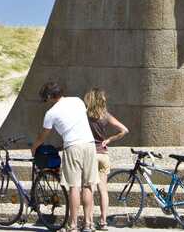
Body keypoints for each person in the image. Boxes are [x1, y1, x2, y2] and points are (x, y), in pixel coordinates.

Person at [31, 82, 97, 232]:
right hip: (90, 144)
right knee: (88, 185)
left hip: (73, 146)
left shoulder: (51, 113)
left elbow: (43, 136)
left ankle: (73, 225)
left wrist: (34, 147)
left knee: (74, 187)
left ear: (49, 96)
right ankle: (88, 224)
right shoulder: (78, 101)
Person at [83, 88, 129, 231]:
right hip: (103, 154)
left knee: (89, 189)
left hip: (90, 154)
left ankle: (88, 222)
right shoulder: (105, 115)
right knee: (103, 190)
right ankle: (103, 222)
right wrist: (109, 139)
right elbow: (124, 130)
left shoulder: (84, 115)